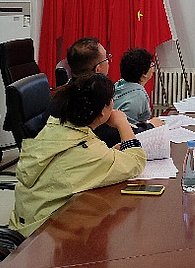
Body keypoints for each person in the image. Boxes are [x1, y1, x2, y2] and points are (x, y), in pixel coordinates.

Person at [9, 72, 146, 237]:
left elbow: (71, 162)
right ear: (102, 112)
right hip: (43, 235)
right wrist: (122, 122)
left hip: (25, 223)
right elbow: (136, 161)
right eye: (111, 100)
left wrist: (108, 154)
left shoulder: (55, 127)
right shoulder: (87, 150)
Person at [113, 48, 164, 131]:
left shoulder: (118, 85)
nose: (154, 68)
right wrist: (152, 125)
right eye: (152, 65)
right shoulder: (139, 95)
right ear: (144, 73)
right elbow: (136, 129)